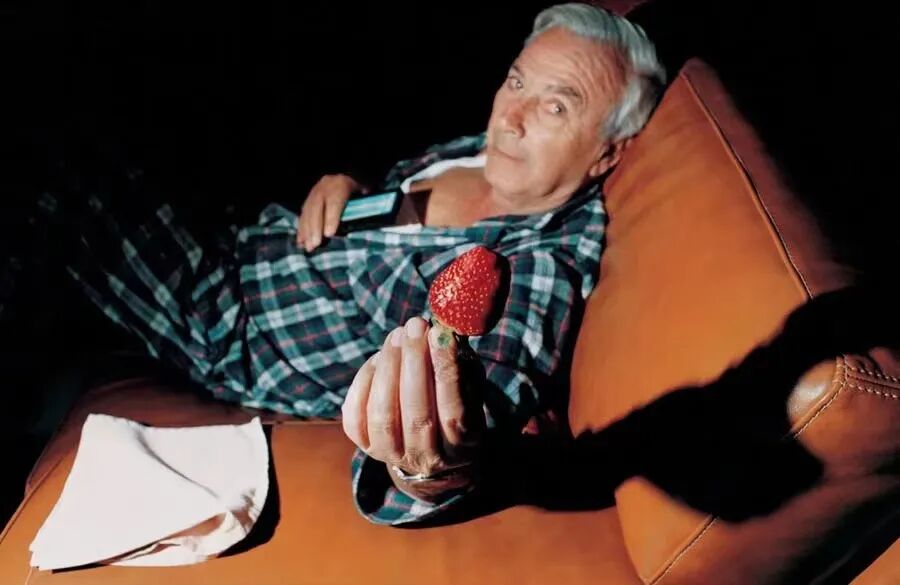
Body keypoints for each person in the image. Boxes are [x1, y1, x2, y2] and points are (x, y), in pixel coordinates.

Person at [1, 3, 665, 525]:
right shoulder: (483, 153)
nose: (512, 117)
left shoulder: (536, 265)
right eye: (516, 81)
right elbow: (395, 198)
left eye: (556, 105)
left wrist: (428, 467)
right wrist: (350, 185)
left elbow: (472, 415)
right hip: (247, 237)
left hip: (232, 323)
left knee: (49, 167)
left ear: (607, 153)